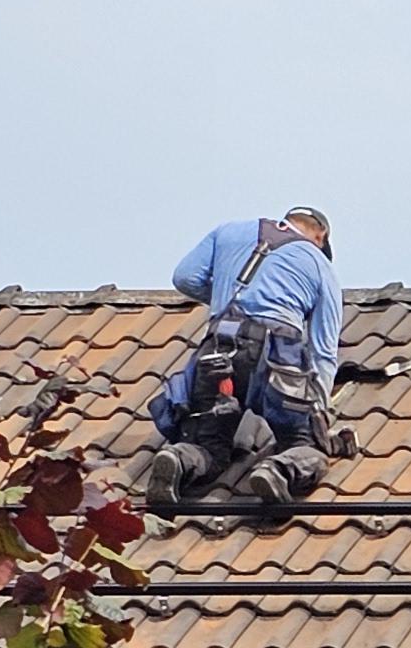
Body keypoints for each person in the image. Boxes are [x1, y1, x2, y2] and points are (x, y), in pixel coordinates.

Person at [136, 207, 347, 505]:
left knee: (210, 445)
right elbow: (324, 350)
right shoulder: (320, 265)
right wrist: (320, 410)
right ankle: (277, 470)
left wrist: (222, 299)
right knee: (302, 442)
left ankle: (179, 458)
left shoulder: (228, 231)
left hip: (218, 346)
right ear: (320, 236)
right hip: (277, 355)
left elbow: (185, 278)